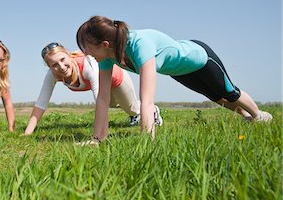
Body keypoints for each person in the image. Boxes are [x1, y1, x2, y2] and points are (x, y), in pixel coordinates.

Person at [76, 15, 273, 142]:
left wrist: (147, 142)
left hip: (199, 58)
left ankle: (258, 115)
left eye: (87, 46)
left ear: (104, 43)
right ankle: (245, 117)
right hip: (179, 71)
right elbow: (102, 98)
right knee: (216, 97)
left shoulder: (140, 45)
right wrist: (97, 139)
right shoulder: (106, 57)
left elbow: (147, 101)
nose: (85, 52)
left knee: (229, 92)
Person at [24, 42, 162, 135]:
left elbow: (99, 98)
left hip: (117, 80)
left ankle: (149, 111)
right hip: (104, 89)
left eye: (62, 59)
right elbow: (41, 103)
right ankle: (134, 115)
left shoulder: (87, 64)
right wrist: (27, 133)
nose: (60, 67)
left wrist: (99, 136)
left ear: (68, 54)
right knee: (111, 104)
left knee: (131, 108)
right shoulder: (53, 75)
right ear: (49, 67)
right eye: (54, 65)